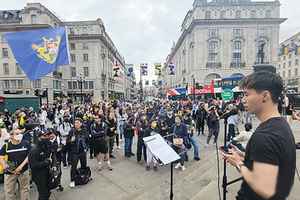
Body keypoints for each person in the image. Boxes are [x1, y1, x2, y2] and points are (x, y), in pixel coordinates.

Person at [222, 71, 296, 200]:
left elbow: (265, 189)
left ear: (265, 96)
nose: (243, 99)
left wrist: (238, 163)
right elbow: (271, 159)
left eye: (247, 94)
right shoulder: (281, 124)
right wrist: (245, 157)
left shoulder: (264, 136)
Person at [0, 129, 31, 200]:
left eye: (20, 133)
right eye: (17, 134)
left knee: (25, 189)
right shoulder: (6, 146)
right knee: (9, 191)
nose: (19, 135)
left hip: (23, 171)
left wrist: (21, 166)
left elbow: (29, 156)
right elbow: (1, 157)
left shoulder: (26, 143)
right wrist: (4, 165)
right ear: (11, 136)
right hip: (10, 172)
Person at [28, 130, 54, 200]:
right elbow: (33, 165)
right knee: (43, 193)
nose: (46, 137)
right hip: (38, 176)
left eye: (46, 136)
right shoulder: (34, 150)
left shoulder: (45, 145)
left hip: (46, 173)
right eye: (43, 136)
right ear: (39, 138)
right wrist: (46, 162)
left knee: (47, 192)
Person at [67, 118, 88, 188]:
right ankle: (72, 180)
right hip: (75, 152)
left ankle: (84, 177)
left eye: (78, 123)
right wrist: (71, 140)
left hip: (82, 151)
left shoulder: (84, 130)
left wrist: (86, 147)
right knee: (73, 167)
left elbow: (87, 138)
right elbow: (67, 142)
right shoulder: (71, 131)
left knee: (84, 165)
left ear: (81, 124)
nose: (76, 124)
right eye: (75, 123)